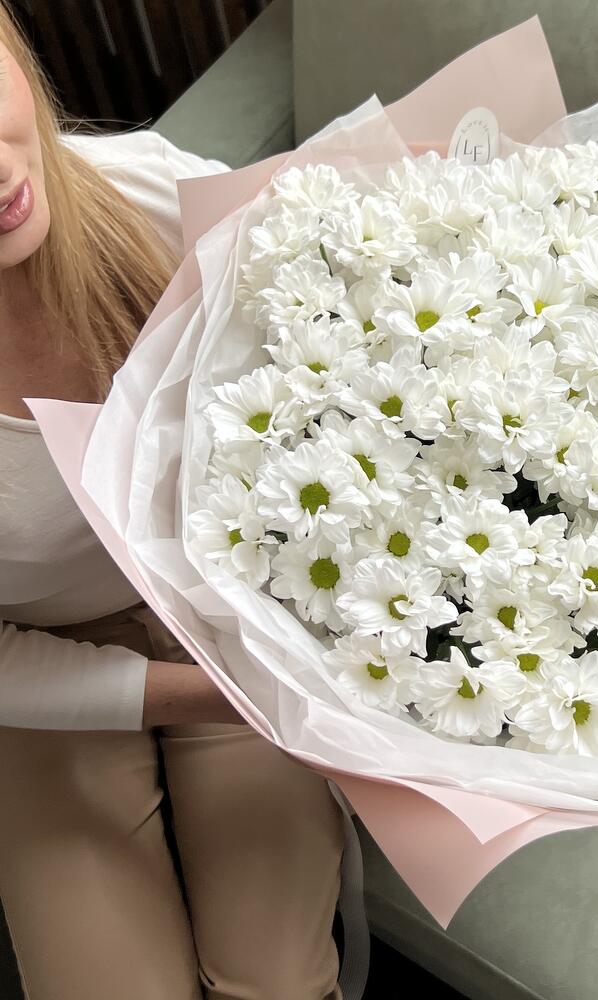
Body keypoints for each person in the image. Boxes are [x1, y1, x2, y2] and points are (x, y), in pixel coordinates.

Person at [0, 7, 346, 999]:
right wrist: (205, 694)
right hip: (39, 667)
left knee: (277, 982)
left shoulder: (153, 196)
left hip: (227, 605)